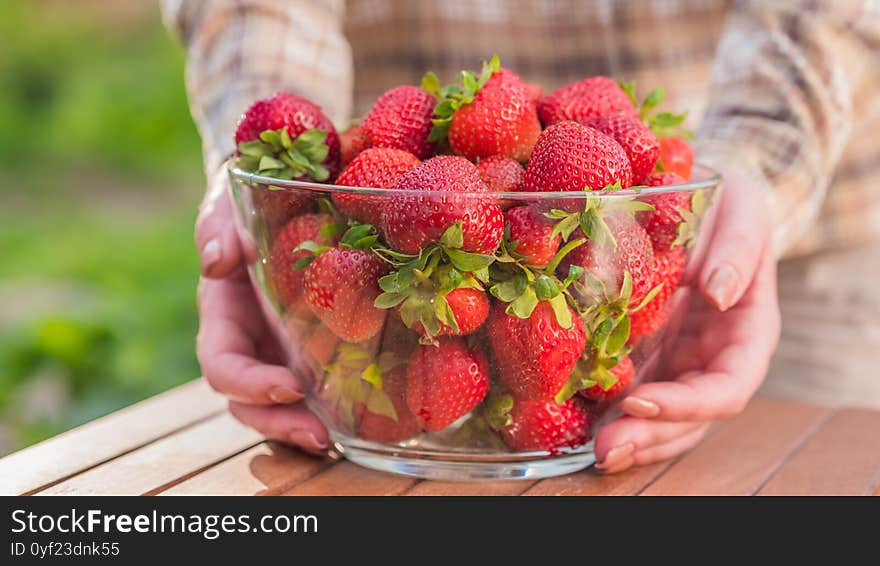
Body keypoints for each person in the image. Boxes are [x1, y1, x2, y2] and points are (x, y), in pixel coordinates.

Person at [163, 0, 880, 474]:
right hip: (388, 253)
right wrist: (272, 196)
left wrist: (755, 167)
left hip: (774, 219)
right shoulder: (394, 193)